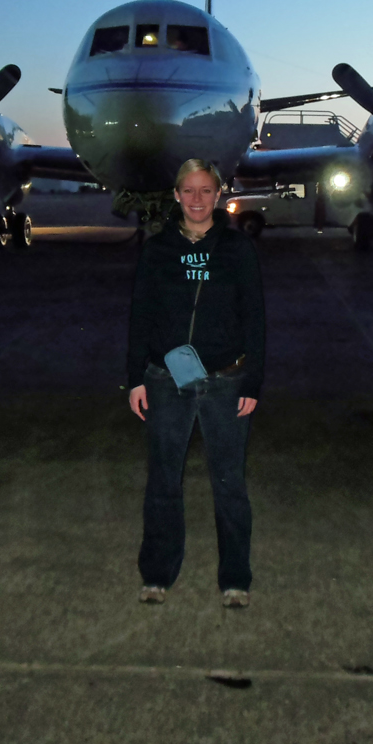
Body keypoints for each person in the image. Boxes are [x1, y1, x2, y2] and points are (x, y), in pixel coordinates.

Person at [126, 159, 265, 608]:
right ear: (176, 195)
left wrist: (253, 382)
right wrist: (135, 379)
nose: (198, 200)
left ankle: (235, 578)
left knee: (229, 483)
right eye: (189, 191)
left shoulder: (238, 249)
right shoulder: (158, 249)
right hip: (166, 379)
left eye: (206, 190)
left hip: (226, 380)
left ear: (219, 194)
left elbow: (256, 319)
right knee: (163, 480)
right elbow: (140, 316)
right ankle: (158, 573)